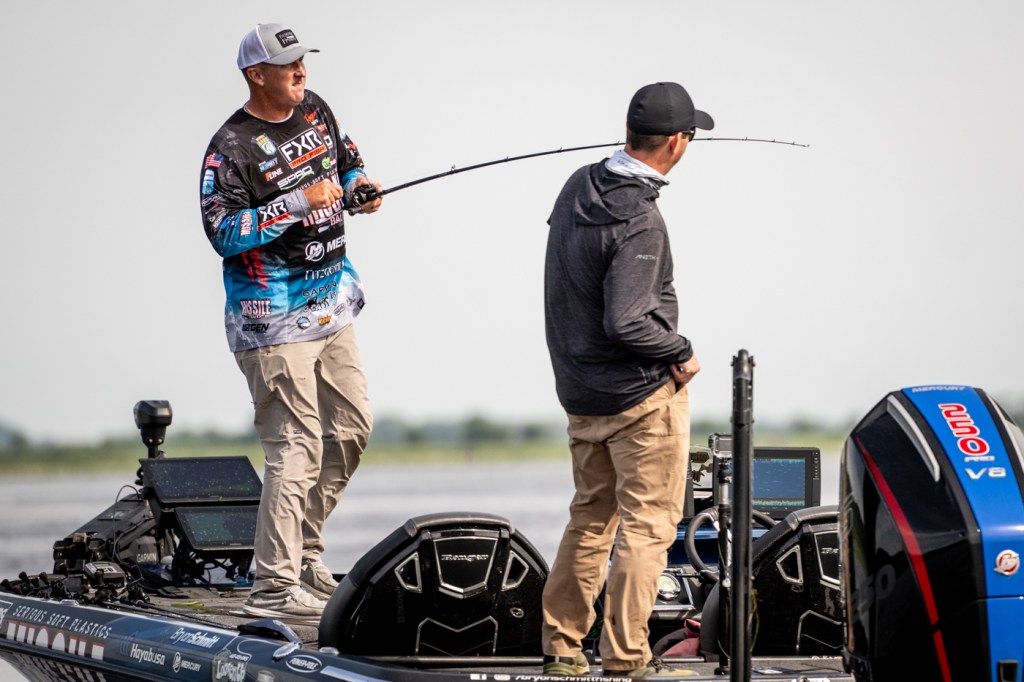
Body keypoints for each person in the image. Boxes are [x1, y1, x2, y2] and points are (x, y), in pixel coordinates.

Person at [199, 23, 384, 622]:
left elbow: (347, 162)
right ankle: (273, 587)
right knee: (296, 445)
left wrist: (359, 187)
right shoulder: (229, 147)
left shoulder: (316, 110)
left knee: (352, 429)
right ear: (257, 75)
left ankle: (301, 552)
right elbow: (223, 232)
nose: (302, 71)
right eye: (288, 64)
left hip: (332, 306)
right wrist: (296, 203)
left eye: (303, 59)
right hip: (271, 321)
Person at [540, 82, 712, 677]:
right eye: (690, 136)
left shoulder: (578, 185)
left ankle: (562, 649)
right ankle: (626, 658)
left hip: (581, 393)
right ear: (676, 143)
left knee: (591, 518)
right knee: (648, 527)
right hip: (640, 397)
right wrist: (681, 350)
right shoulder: (642, 220)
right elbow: (627, 320)